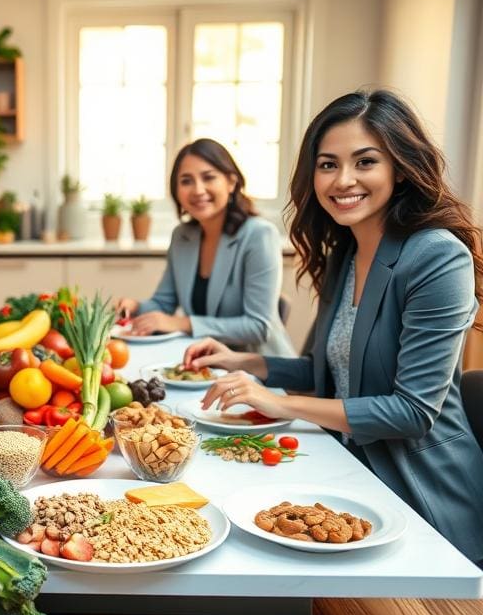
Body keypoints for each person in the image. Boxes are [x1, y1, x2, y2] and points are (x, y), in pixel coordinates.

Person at [183, 89, 483, 565]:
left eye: (365, 162)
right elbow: (335, 375)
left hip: (420, 497)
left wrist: (275, 400)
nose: (343, 180)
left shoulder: (437, 256)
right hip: (349, 475)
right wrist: (250, 361)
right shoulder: (344, 253)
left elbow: (411, 411)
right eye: (328, 165)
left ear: (399, 168)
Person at [116, 139, 293, 355]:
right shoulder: (182, 237)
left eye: (208, 177)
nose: (198, 190)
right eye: (186, 181)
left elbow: (258, 327)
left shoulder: (259, 235)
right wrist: (136, 307)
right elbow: (164, 303)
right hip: (205, 362)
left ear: (231, 182)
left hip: (259, 368)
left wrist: (182, 323)